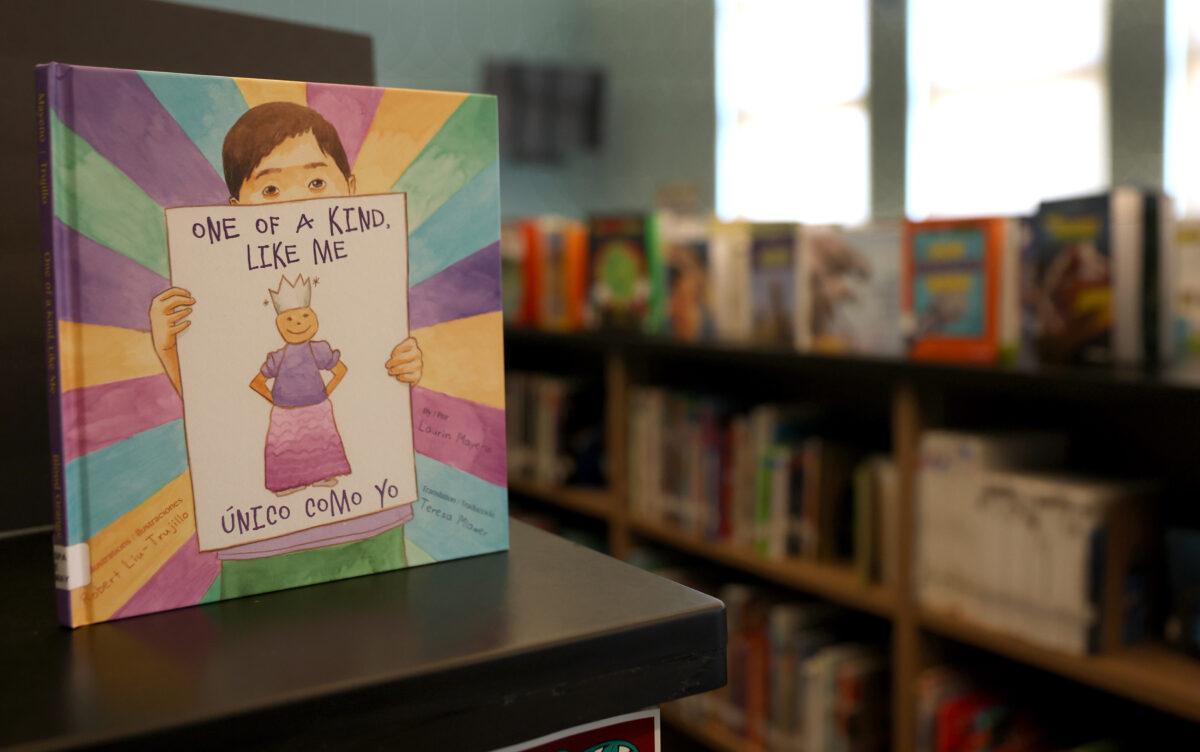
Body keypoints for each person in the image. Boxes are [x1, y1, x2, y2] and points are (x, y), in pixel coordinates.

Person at [147, 102, 422, 596]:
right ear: (237, 209)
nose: (295, 201)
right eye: (270, 187)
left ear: (351, 191)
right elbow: (218, 410)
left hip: (371, 526)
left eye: (316, 182)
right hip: (260, 545)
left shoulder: (373, 277)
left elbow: (380, 381)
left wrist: (408, 364)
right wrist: (172, 350)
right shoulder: (216, 293)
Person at [251, 274, 352, 496]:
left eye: (304, 315)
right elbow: (257, 383)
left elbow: (340, 370)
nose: (297, 322)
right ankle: (288, 482)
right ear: (279, 324)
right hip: (285, 413)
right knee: (287, 447)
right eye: (289, 319)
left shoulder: (319, 349)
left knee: (321, 441)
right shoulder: (277, 357)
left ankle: (323, 474)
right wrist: (276, 400)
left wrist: (326, 391)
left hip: (317, 408)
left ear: (313, 318)